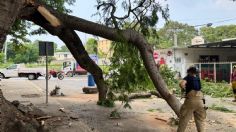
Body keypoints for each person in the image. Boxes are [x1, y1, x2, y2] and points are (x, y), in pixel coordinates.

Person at [177, 67, 206, 132]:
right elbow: (199, 89)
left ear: (189, 72)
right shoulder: (197, 78)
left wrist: (183, 88)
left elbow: (182, 84)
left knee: (183, 119)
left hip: (191, 101)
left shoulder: (188, 77)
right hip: (200, 101)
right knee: (200, 120)